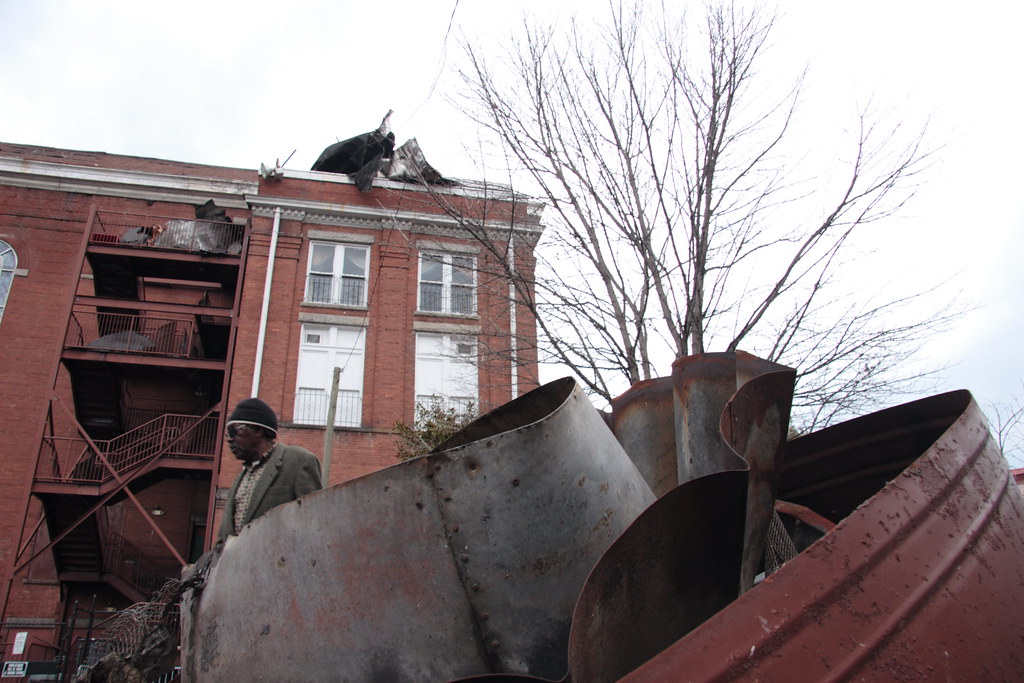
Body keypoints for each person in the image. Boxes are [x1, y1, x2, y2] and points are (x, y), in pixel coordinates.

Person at [216, 397, 323, 543]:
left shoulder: (299, 461)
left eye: (234, 431)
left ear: (258, 430)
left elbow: (313, 524)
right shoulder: (241, 478)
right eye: (227, 434)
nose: (229, 439)